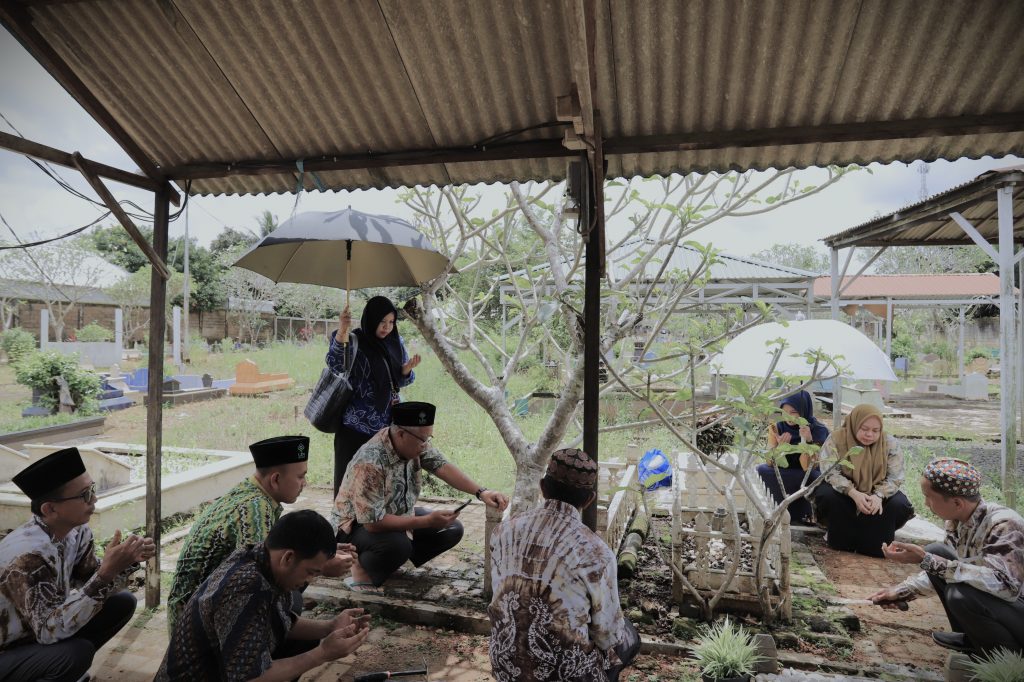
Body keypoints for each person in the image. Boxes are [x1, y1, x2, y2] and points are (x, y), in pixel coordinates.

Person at [166, 435, 355, 635]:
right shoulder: (254, 510)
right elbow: (262, 577)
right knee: (288, 599)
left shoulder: (253, 494)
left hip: (199, 607)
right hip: (194, 624)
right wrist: (322, 567)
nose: (305, 483)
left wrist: (320, 553)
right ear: (275, 479)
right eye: (300, 476)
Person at [157, 510, 370, 682]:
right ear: (288, 558)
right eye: (311, 572)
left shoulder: (260, 557)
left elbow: (281, 621)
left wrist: (330, 627)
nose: (309, 581)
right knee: (308, 650)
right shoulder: (246, 589)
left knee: (303, 641)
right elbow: (251, 678)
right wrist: (323, 653)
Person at [0, 447, 154, 682]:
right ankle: (50, 671)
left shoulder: (76, 531)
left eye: (92, 489)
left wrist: (127, 559)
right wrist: (106, 573)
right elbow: (48, 630)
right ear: (50, 509)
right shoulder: (25, 556)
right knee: (75, 654)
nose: (94, 499)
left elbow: (89, 580)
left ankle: (55, 672)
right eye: (85, 495)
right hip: (8, 650)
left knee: (121, 603)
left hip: (35, 635)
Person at [488, 448, 640, 682]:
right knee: (628, 635)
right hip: (565, 675)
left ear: (543, 487)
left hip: (504, 666)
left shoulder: (503, 531)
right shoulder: (597, 552)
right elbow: (607, 635)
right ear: (589, 500)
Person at [333, 401, 510, 591]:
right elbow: (373, 523)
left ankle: (388, 561)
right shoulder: (371, 461)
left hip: (396, 516)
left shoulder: (414, 443)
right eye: (423, 439)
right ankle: (361, 564)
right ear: (401, 434)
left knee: (452, 529)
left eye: (428, 438)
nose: (426, 445)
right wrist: (426, 522)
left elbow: (442, 466)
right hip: (355, 527)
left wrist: (481, 492)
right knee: (398, 546)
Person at [869, 458, 1024, 656]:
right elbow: (947, 568)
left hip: (1017, 607)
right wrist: (901, 592)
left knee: (959, 595)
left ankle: (1006, 658)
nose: (925, 503)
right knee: (937, 552)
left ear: (957, 502)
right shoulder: (957, 522)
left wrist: (927, 560)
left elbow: (1005, 586)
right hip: (1004, 607)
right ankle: (974, 639)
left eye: (928, 497)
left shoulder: (1004, 525)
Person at [327, 295, 421, 498]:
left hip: (387, 431)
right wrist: (343, 329)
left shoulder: (395, 342)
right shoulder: (354, 341)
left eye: (391, 322)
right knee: (349, 486)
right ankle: (344, 529)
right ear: (371, 319)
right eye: (382, 321)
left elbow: (401, 381)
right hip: (355, 428)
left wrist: (405, 369)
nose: (387, 327)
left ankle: (375, 527)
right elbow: (336, 365)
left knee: (377, 488)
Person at [813, 404, 914, 557]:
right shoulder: (837, 439)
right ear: (854, 424)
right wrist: (853, 493)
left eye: (875, 431)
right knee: (826, 495)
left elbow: (895, 477)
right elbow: (830, 472)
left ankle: (872, 538)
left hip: (875, 496)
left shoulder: (889, 443)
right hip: (845, 494)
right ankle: (839, 535)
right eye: (864, 429)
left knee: (899, 504)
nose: (869, 435)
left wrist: (878, 496)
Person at [756, 390, 829, 525]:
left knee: (814, 476)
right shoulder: (777, 427)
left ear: (804, 410)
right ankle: (776, 510)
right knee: (762, 470)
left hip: (806, 472)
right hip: (784, 470)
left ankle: (805, 514)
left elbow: (811, 465)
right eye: (784, 412)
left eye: (793, 412)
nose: (788, 417)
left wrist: (808, 441)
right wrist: (781, 448)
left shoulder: (818, 429)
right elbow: (770, 462)